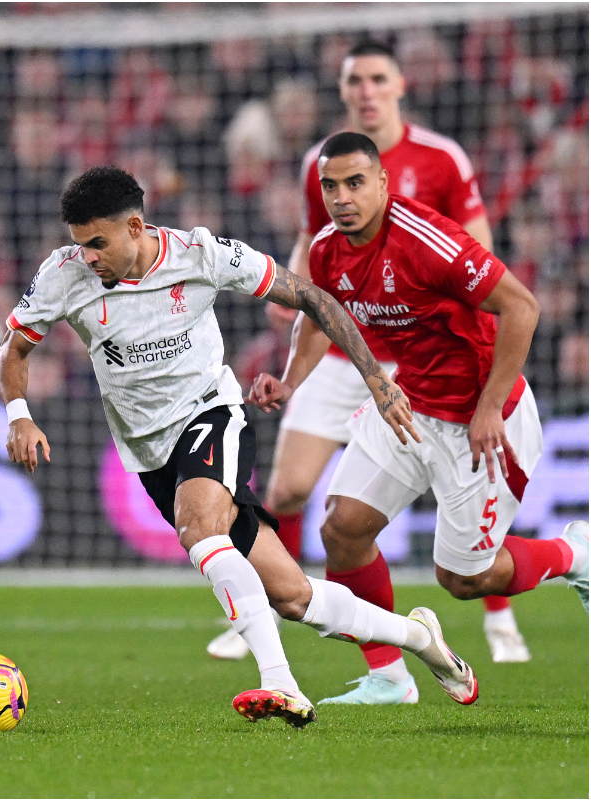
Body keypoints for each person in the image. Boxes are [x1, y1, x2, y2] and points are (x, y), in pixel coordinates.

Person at [0, 165, 480, 727]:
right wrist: (18, 415)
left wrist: (376, 378)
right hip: (148, 451)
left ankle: (280, 684)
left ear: (135, 226)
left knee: (199, 525)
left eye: (97, 243)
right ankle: (419, 636)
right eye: (80, 245)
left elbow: (313, 298)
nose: (88, 257)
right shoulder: (64, 275)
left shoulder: (202, 255)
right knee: (294, 596)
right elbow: (15, 350)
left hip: (211, 414)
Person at [210, 39, 528, 669]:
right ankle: (303, 616)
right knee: (309, 500)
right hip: (360, 357)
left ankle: (519, 598)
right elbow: (315, 266)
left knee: (464, 564)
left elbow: (499, 281)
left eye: (377, 78)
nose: (366, 90)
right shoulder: (323, 191)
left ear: (399, 85)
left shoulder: (439, 167)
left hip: (440, 369)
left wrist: (474, 366)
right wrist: (291, 328)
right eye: (354, 80)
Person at [247, 132, 589, 703]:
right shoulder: (329, 248)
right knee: (342, 529)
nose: (341, 197)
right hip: (409, 406)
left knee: (463, 581)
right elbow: (318, 315)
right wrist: (290, 381)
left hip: (483, 419)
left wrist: (486, 409)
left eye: (355, 182)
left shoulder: (426, 240)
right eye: (330, 185)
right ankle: (390, 676)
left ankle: (574, 554)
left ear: (382, 183)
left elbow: (521, 307)